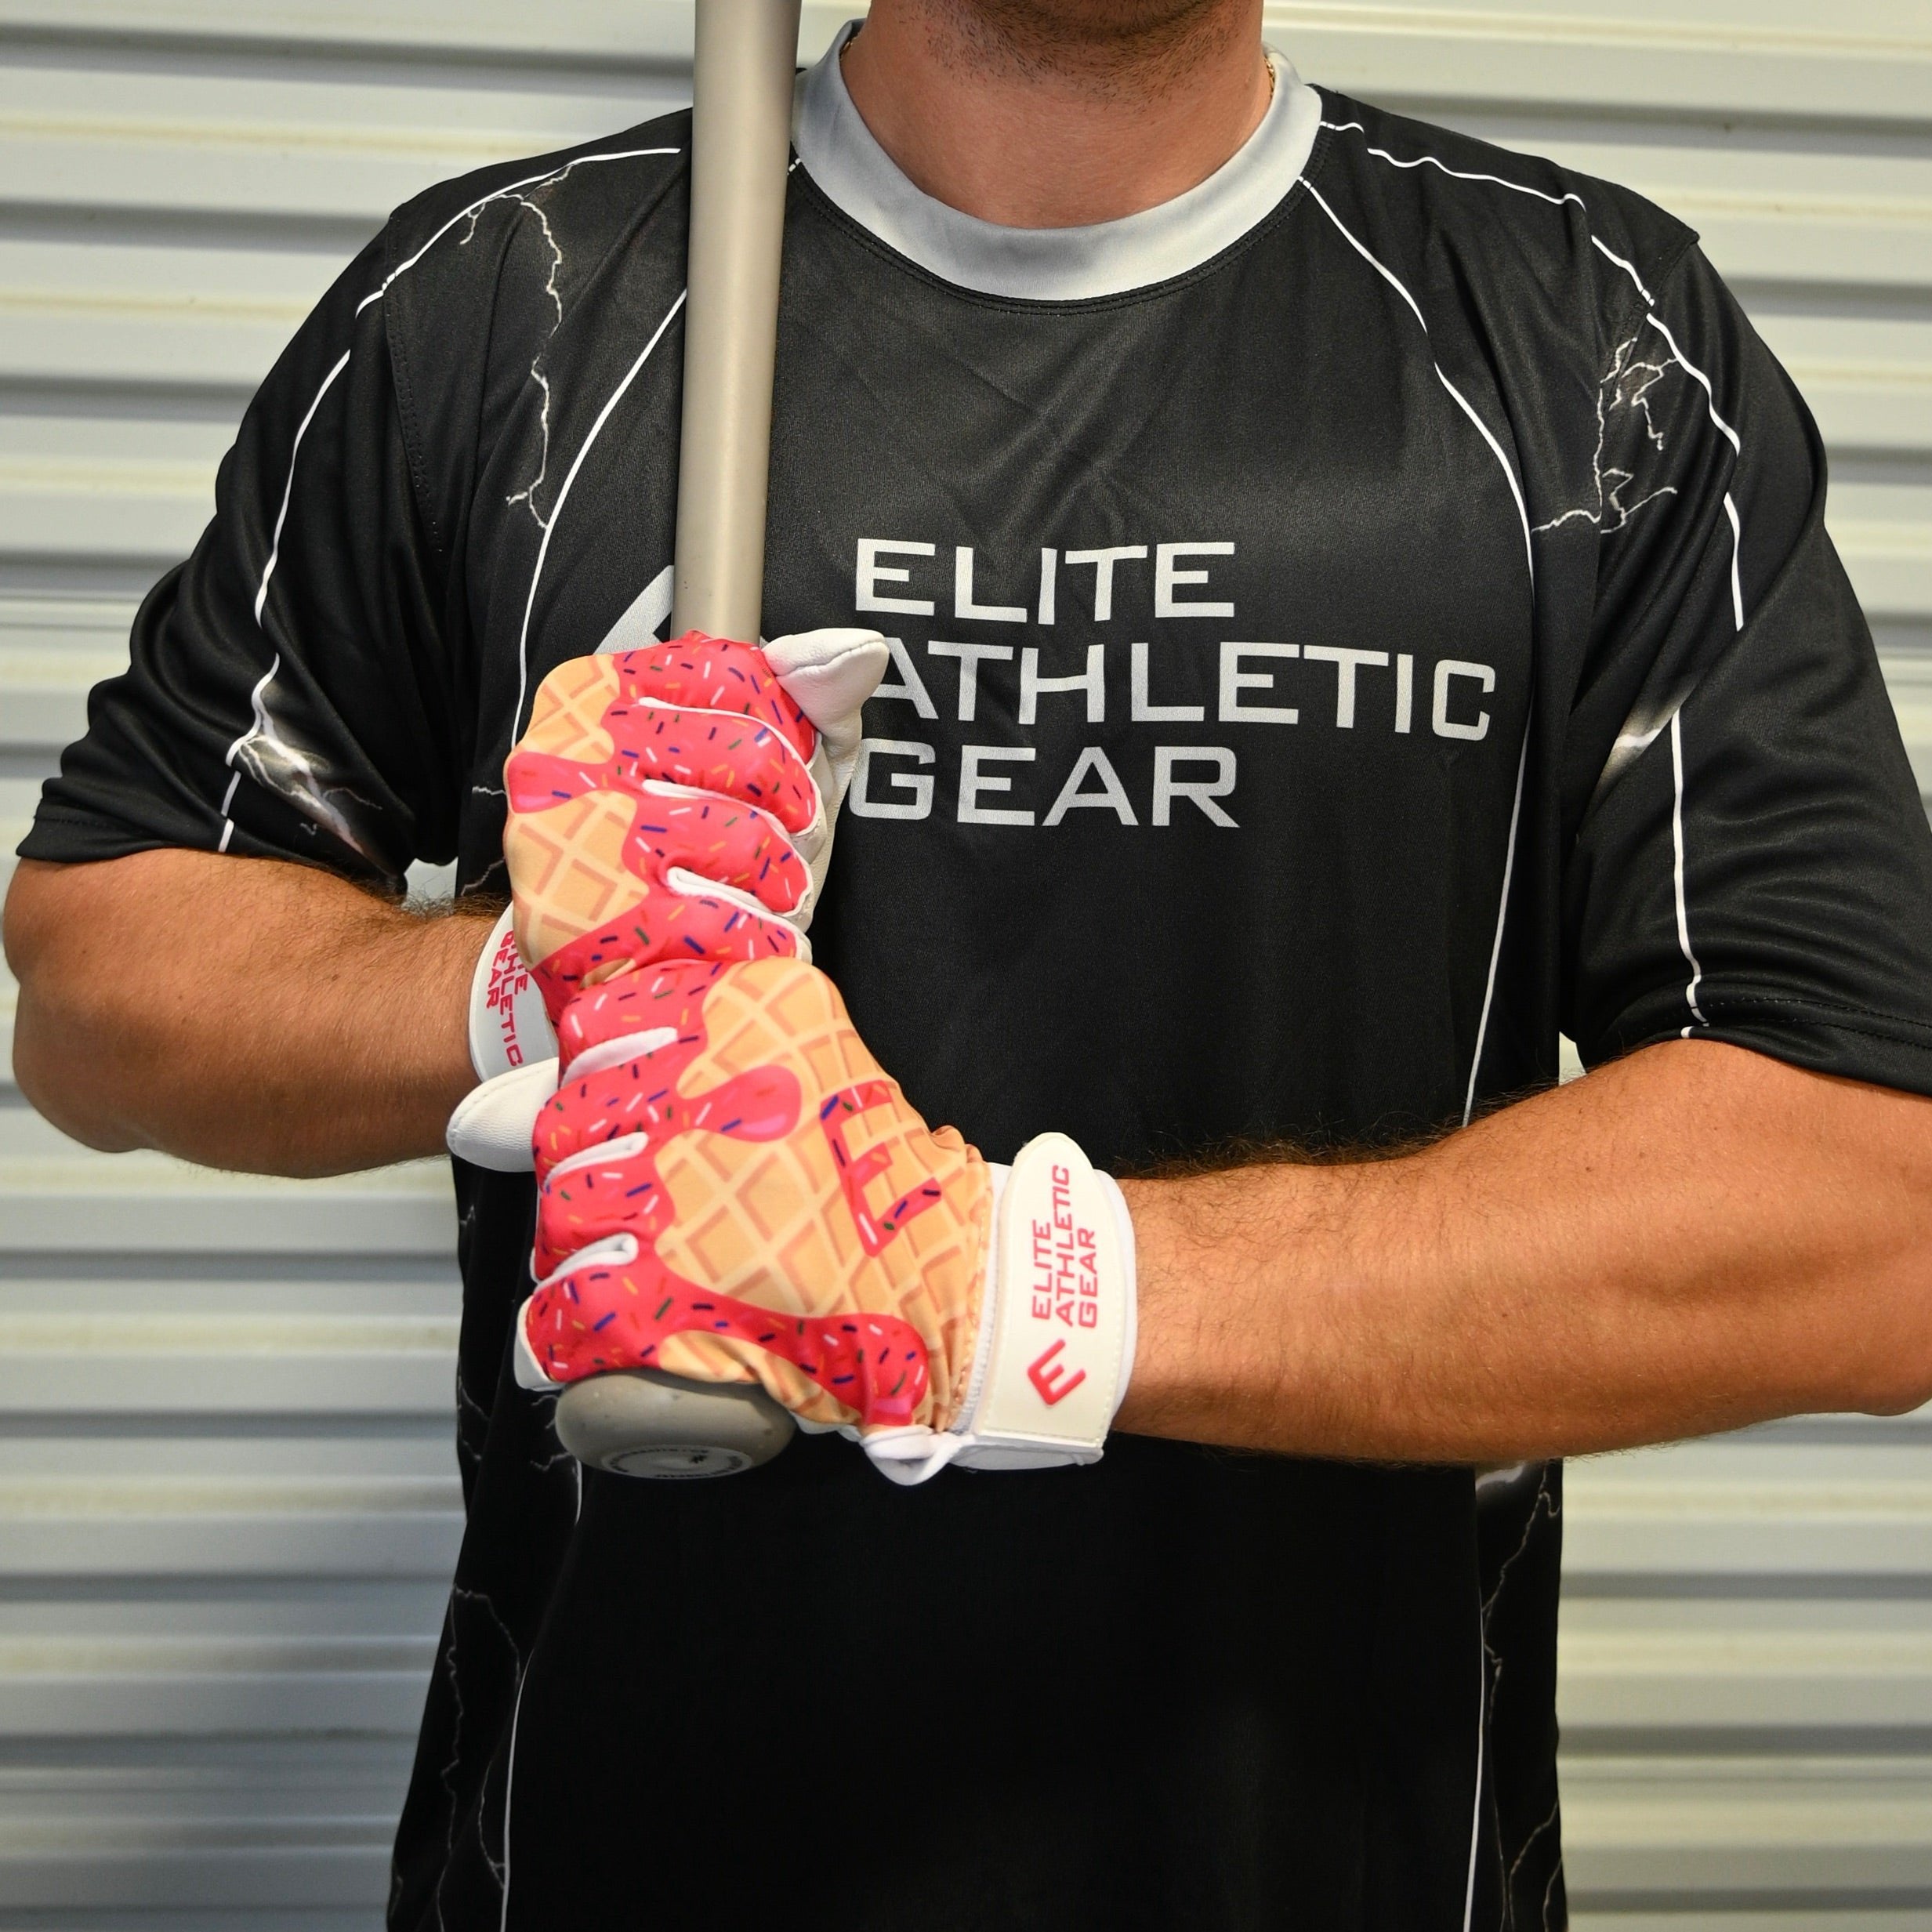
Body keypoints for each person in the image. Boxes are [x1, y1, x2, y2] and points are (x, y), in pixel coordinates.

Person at [7, 0, 1932, 1924]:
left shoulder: (1593, 343)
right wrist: (565, 973)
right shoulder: (506, 307)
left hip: (1339, 1858)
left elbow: (1869, 1209)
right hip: (611, 1853)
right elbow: (99, 988)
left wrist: (995, 1285)